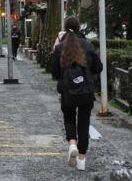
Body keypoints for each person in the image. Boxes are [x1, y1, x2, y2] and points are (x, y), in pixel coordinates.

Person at [50, 16, 103, 171]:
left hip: (68, 92)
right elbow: (98, 67)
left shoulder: (60, 48)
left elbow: (54, 73)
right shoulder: (87, 45)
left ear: (65, 29)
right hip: (86, 91)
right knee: (84, 123)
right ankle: (81, 160)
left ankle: (72, 143)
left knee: (69, 117)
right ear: (79, 28)